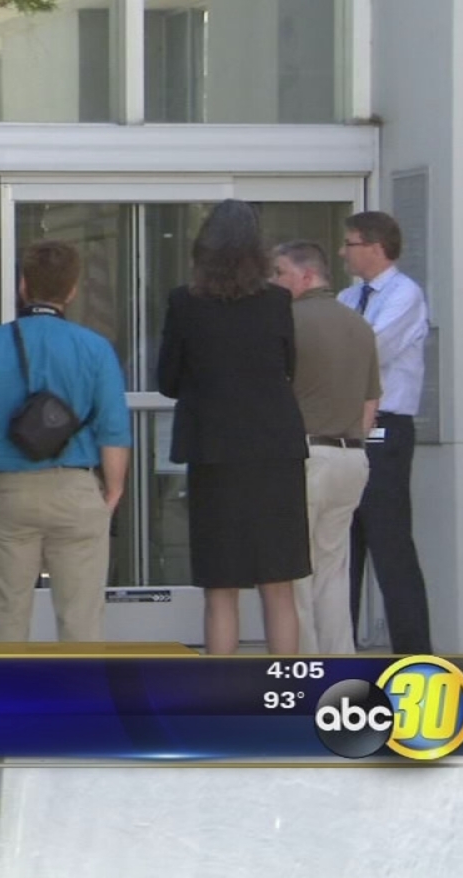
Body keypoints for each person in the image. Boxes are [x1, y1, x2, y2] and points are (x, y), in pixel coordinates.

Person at [0, 240, 132, 642]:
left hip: (12, 488)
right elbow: (114, 430)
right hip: (77, 489)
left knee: (6, 615)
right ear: (72, 290)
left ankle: (11, 702)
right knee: (81, 618)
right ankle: (77, 702)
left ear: (23, 286)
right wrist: (113, 489)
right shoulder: (95, 348)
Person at [157, 200, 309, 655]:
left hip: (214, 450)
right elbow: (288, 366)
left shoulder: (184, 302)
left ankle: (220, 694)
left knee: (220, 588)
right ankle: (285, 692)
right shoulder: (278, 301)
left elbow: (167, 380)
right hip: (274, 450)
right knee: (278, 585)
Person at [271, 241, 380, 654]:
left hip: (304, 455)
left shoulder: (287, 321)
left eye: (280, 272)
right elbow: (372, 401)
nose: (274, 281)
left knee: (294, 572)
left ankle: (304, 667)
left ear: (306, 276)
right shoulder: (359, 325)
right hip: (351, 456)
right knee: (334, 570)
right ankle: (339, 664)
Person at [337, 210, 433, 654]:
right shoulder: (346, 295)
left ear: (375, 247)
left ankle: (412, 655)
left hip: (385, 428)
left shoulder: (404, 294)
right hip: (342, 427)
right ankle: (342, 647)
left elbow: (369, 348)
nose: (343, 252)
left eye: (350, 243)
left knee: (389, 542)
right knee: (343, 546)